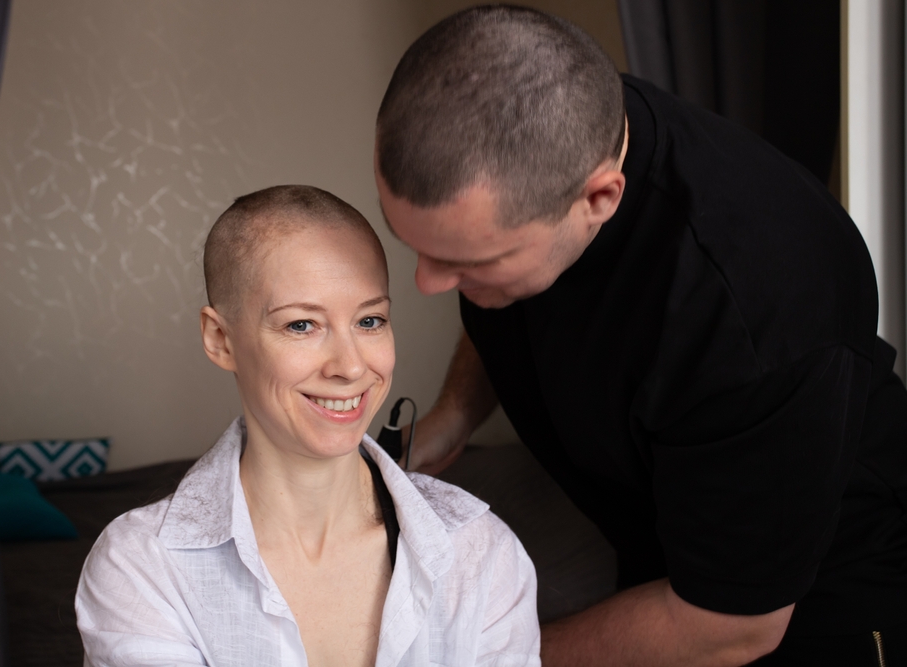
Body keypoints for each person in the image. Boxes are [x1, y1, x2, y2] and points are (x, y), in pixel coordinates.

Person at [374, 6, 907, 667]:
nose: (428, 282)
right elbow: (504, 299)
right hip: (656, 551)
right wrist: (455, 414)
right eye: (417, 248)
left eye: (470, 263)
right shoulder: (561, 118)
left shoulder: (755, 308)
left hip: (799, 613)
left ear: (598, 197)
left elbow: (732, 626)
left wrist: (479, 655)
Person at [75, 185, 541, 667]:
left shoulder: (480, 551)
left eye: (370, 321)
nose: (350, 366)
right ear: (221, 340)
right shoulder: (141, 568)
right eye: (302, 325)